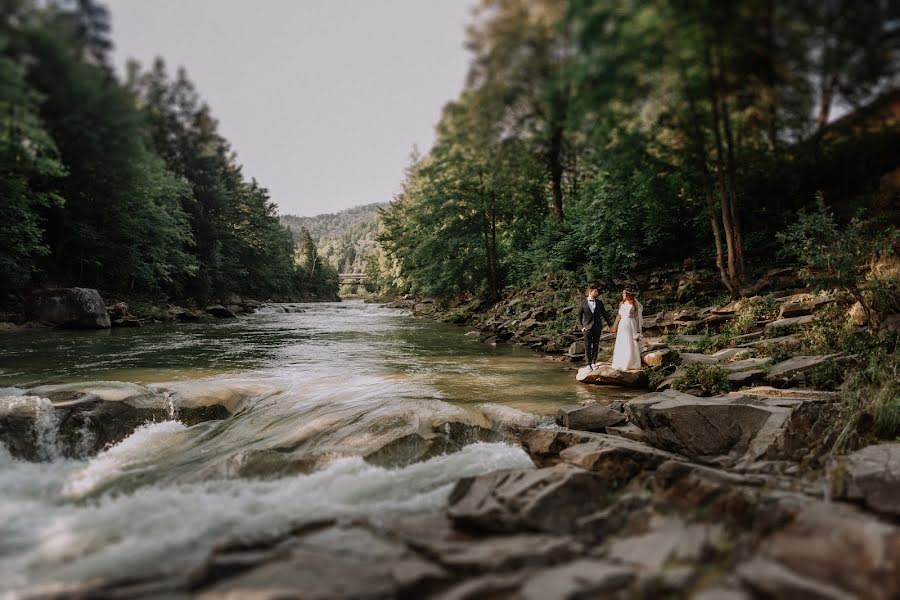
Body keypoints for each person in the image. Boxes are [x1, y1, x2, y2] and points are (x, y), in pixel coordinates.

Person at [577, 284, 612, 369]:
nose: (597, 293)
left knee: (596, 345)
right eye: (595, 291)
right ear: (590, 292)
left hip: (597, 326)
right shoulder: (583, 303)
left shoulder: (599, 303)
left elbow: (605, 314)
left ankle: (594, 362)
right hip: (586, 328)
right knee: (587, 345)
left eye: (597, 291)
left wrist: (611, 325)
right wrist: (581, 327)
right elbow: (579, 317)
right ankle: (588, 363)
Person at [610, 289, 643, 370]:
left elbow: (637, 317)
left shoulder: (634, 304)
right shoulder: (621, 303)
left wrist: (638, 330)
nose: (623, 295)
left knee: (630, 342)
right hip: (622, 325)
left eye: (624, 293)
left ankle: (630, 363)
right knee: (622, 342)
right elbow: (619, 315)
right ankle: (620, 363)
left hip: (631, 324)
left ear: (628, 294)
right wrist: (614, 325)